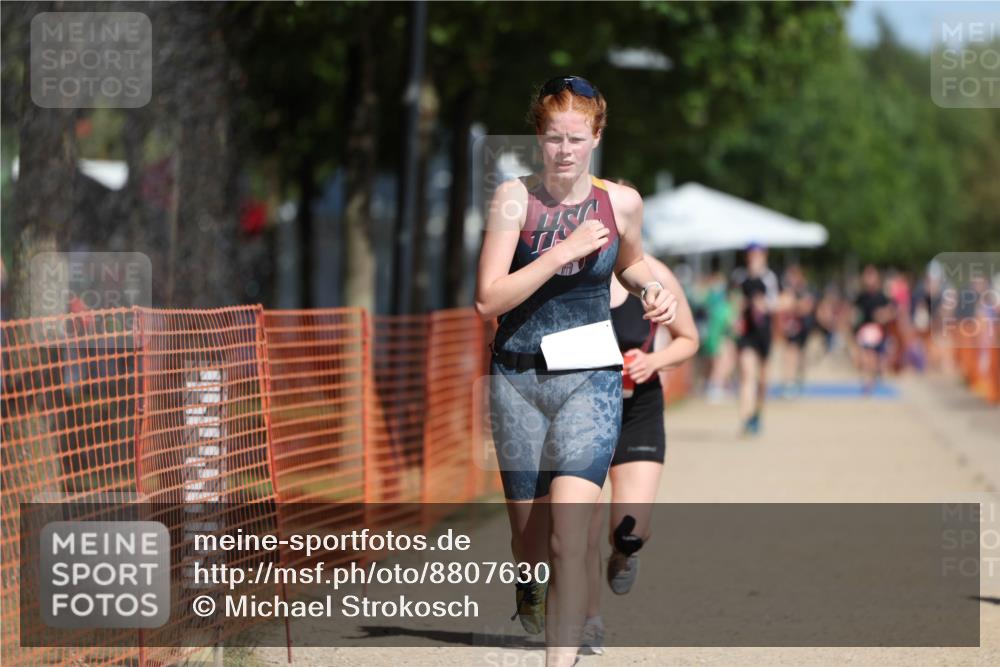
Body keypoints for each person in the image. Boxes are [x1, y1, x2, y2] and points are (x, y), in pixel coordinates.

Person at [474, 75, 677, 667]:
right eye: (553, 138)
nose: (564, 150)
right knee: (530, 543)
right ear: (539, 137)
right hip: (517, 379)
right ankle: (527, 579)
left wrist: (654, 290)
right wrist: (562, 251)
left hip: (590, 379)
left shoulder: (621, 203)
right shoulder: (514, 199)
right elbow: (488, 300)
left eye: (576, 138)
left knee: (569, 539)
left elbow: (634, 265)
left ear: (596, 136)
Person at [581, 251, 699, 654]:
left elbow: (689, 339)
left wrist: (653, 361)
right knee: (584, 525)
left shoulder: (657, 275)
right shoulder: (575, 272)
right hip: (583, 408)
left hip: (639, 410)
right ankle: (589, 619)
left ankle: (624, 554)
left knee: (629, 530)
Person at [733, 243, 779, 435]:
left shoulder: (769, 278)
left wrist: (765, 305)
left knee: (762, 378)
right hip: (747, 333)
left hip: (764, 332)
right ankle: (746, 417)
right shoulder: (740, 277)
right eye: (751, 255)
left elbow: (778, 302)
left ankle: (757, 413)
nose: (754, 258)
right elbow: (733, 300)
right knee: (746, 373)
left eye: (757, 254)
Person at [853, 265, 894, 393]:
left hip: (877, 331)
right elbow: (854, 313)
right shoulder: (861, 297)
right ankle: (868, 381)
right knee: (866, 357)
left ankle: (871, 378)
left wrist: (883, 315)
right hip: (865, 330)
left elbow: (891, 311)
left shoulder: (882, 296)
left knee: (874, 358)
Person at [777, 264, 816, 397]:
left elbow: (806, 307)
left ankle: (796, 380)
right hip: (791, 328)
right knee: (790, 353)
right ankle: (789, 382)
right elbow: (782, 304)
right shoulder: (787, 291)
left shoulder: (805, 291)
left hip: (803, 328)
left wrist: (793, 305)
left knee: (800, 356)